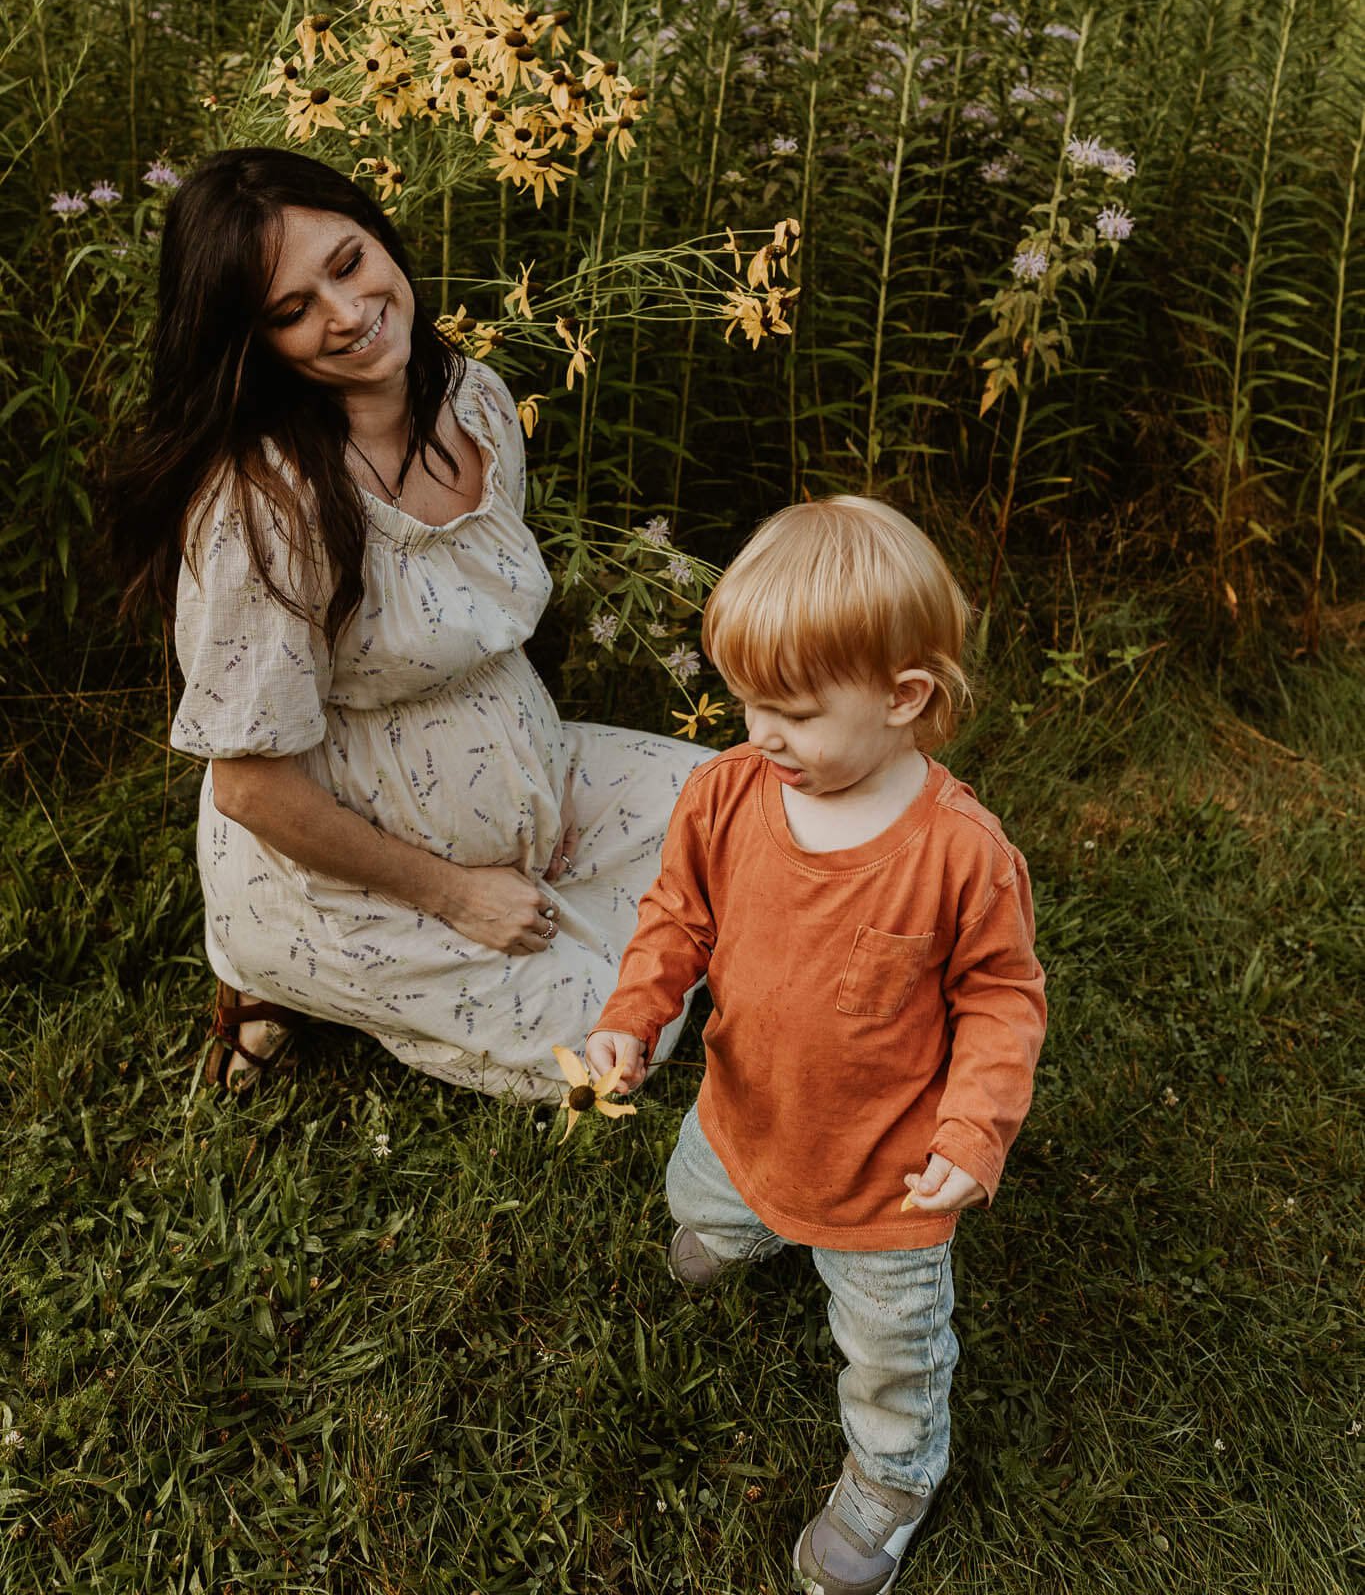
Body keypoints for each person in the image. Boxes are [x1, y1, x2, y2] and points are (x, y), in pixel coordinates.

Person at [112, 146, 707, 1093]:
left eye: (346, 264)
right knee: (601, 1059)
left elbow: (470, 622)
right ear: (252, 341)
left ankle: (554, 893)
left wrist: (527, 795)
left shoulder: (470, 397)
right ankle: (278, 974)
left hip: (525, 783)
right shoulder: (266, 503)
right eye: (291, 311)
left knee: (741, 811)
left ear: (378, 236)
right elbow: (250, 789)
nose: (346, 315)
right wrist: (459, 895)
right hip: (359, 870)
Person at [584, 497, 1046, 1595]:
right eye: (747, 702)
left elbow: (1001, 998)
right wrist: (632, 1013)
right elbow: (675, 915)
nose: (760, 733)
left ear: (904, 698)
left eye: (790, 710)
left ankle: (889, 1478)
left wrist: (973, 1128)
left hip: (884, 1176)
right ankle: (735, 1223)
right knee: (705, 1193)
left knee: (892, 1349)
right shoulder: (730, 794)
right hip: (744, 1113)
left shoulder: (959, 855)